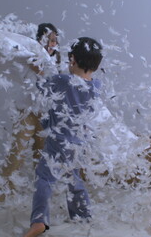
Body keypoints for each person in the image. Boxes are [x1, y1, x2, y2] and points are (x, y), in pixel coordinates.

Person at [23, 37, 103, 237]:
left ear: (73, 60)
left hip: (59, 140)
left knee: (44, 178)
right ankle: (83, 215)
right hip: (79, 142)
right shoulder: (96, 87)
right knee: (73, 178)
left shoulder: (62, 81)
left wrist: (38, 70)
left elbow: (43, 87)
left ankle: (39, 221)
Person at [0, 23, 61, 202]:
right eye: (50, 40)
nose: (53, 44)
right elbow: (20, 77)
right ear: (40, 40)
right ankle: (0, 196)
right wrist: (36, 67)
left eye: (55, 40)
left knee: (42, 158)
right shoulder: (28, 57)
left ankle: (42, 198)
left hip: (46, 115)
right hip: (27, 112)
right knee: (16, 153)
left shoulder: (58, 62)